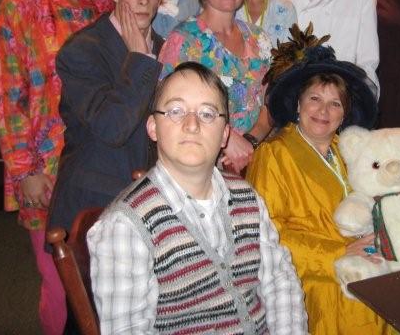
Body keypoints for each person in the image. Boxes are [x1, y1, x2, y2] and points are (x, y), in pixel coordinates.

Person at [87, 61, 308, 334]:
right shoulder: (126, 226)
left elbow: (279, 282)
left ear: (225, 134)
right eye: (176, 111)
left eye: (207, 114)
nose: (192, 125)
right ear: (153, 127)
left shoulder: (246, 198)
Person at [0, 0, 114, 334]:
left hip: (99, 167)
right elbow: (6, 97)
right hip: (45, 171)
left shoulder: (105, 9)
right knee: (61, 285)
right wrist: (24, 170)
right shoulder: (18, 8)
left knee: (101, 280)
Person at [245, 24, 393, 334]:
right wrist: (338, 253)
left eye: (335, 103)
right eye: (314, 99)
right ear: (298, 104)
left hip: (363, 259)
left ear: (344, 114)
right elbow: (268, 234)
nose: (323, 110)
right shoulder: (274, 154)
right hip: (310, 274)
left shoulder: (351, 152)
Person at [47, 0, 165, 237]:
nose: (143, 0)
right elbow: (112, 127)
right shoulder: (83, 49)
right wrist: (140, 60)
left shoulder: (167, 47)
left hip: (150, 200)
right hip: (94, 205)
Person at [160, 0, 273, 173]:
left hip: (255, 162)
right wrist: (227, 139)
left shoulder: (259, 39)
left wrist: (250, 141)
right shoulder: (184, 40)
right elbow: (168, 111)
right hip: (200, 167)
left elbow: (270, 103)